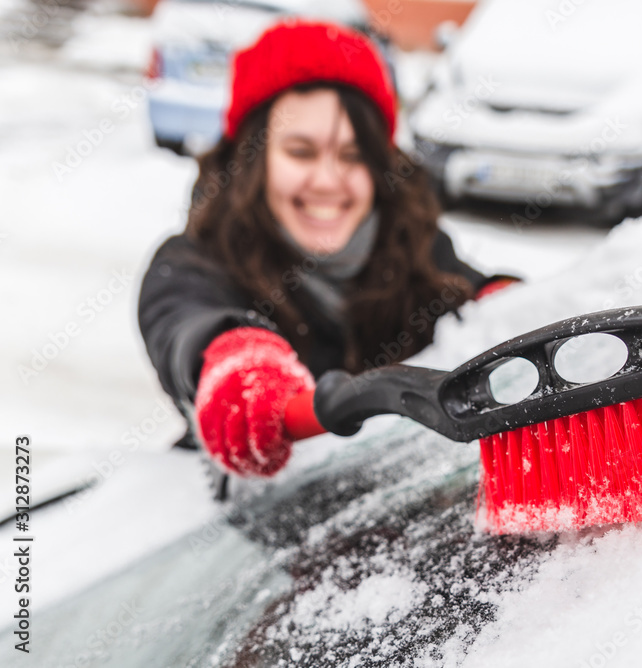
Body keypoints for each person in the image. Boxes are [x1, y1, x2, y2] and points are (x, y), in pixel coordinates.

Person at [138, 21, 514, 487]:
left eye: (353, 156)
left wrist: (512, 303)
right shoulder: (193, 264)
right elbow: (185, 324)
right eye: (301, 152)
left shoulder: (413, 244)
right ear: (252, 159)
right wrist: (237, 362)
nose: (328, 181)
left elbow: (466, 291)